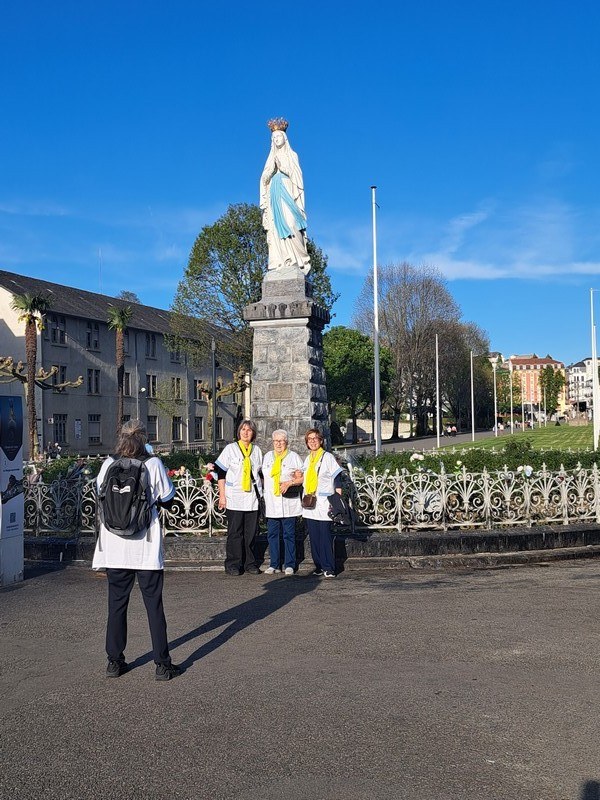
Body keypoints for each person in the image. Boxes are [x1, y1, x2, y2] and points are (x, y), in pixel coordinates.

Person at [92, 420, 181, 681]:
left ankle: (114, 662)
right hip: (145, 546)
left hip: (114, 545)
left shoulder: (108, 463)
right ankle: (162, 665)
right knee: (154, 606)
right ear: (144, 438)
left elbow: (100, 494)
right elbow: (168, 499)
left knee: (116, 604)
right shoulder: (152, 464)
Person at [259, 119, 311, 274]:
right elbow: (263, 179)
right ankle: (282, 261)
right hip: (274, 194)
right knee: (276, 229)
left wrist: (283, 167)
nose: (276, 139)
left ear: (284, 138)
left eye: (279, 137)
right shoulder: (270, 158)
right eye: (274, 138)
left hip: (288, 192)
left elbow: (298, 177)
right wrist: (269, 173)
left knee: (292, 224)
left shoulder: (292, 155)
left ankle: (300, 260)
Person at [215, 419, 263, 575]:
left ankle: (250, 563)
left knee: (251, 533)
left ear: (253, 433)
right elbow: (220, 473)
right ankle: (233, 564)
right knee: (235, 532)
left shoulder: (257, 451)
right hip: (234, 496)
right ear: (239, 432)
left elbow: (260, 473)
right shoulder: (231, 449)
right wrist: (222, 496)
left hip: (252, 498)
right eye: (243, 429)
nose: (246, 432)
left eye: (249, 430)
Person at [301, 428, 344, 578]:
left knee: (325, 535)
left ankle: (328, 567)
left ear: (321, 441)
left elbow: (337, 478)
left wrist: (337, 499)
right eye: (309, 439)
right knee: (314, 537)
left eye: (315, 438)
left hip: (325, 502)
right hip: (310, 502)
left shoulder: (328, 457)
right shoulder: (308, 459)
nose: (312, 441)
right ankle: (318, 565)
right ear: (307, 443)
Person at [262, 429, 304, 576]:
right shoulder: (267, 456)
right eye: (276, 441)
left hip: (288, 502)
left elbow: (302, 477)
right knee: (272, 534)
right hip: (272, 501)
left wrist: (290, 482)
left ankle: (290, 564)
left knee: (289, 534)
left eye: (281, 441)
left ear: (287, 442)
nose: (278, 444)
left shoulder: (294, 457)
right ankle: (274, 564)